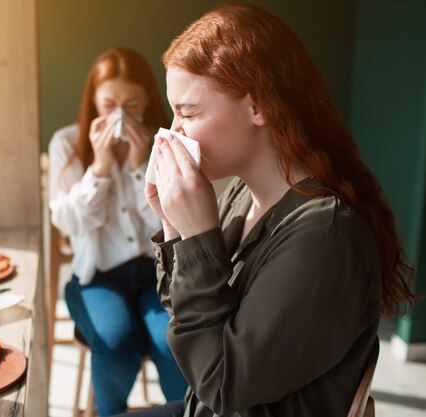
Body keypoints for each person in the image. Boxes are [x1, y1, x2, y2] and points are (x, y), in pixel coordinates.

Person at [121, 3, 417, 417]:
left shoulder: (325, 238)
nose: (173, 131)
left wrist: (198, 239)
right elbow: (186, 319)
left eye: (189, 111)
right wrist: (175, 228)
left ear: (258, 105)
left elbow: (222, 384)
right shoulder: (241, 193)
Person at [48, 47, 188, 416]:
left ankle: (186, 412)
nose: (120, 114)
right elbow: (68, 224)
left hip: (157, 276)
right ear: (93, 100)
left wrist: (141, 166)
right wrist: (101, 167)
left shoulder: (165, 143)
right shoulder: (68, 143)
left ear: (149, 101)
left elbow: (171, 224)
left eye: (132, 104)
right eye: (109, 103)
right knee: (115, 338)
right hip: (97, 277)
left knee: (170, 340)